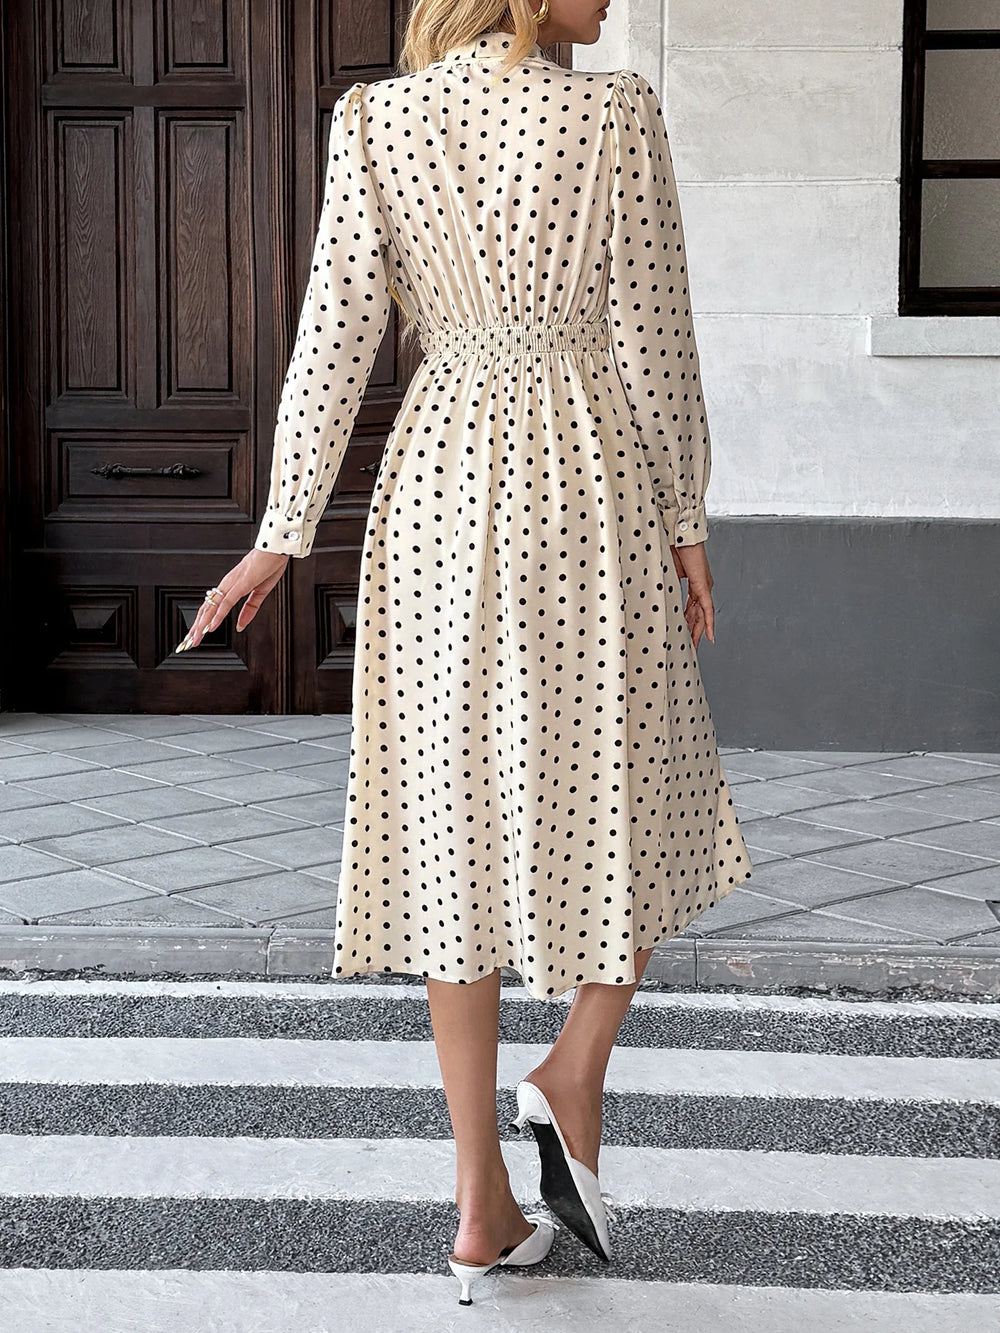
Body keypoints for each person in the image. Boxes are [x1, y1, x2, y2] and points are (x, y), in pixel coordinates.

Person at [178, 0, 753, 1305]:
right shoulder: (613, 112)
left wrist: (282, 532)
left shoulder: (376, 119)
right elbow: (655, 339)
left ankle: (482, 1202)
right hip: (590, 475)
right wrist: (687, 516)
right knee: (638, 786)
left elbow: (332, 337)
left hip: (438, 483)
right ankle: (572, 1068)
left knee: (455, 821)